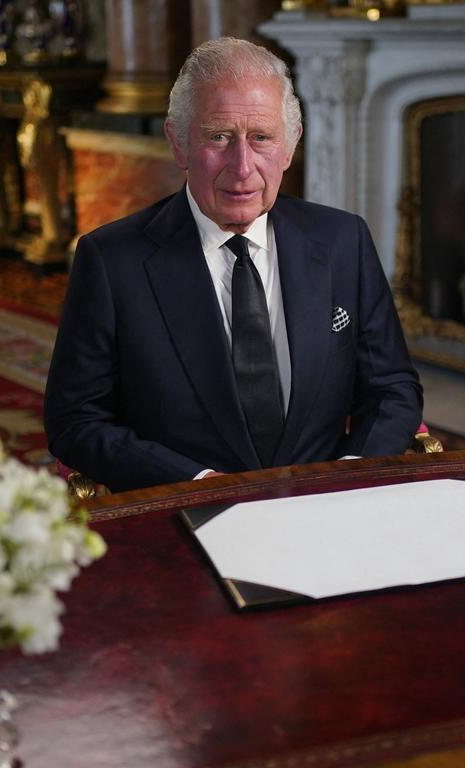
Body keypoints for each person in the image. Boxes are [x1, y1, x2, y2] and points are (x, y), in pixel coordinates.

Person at [44, 37, 423, 492]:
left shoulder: (344, 241)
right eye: (218, 137)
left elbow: (391, 387)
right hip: (185, 512)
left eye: (261, 138)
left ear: (290, 145)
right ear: (178, 144)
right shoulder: (112, 261)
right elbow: (76, 420)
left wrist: (349, 473)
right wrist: (197, 483)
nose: (242, 167)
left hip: (328, 507)